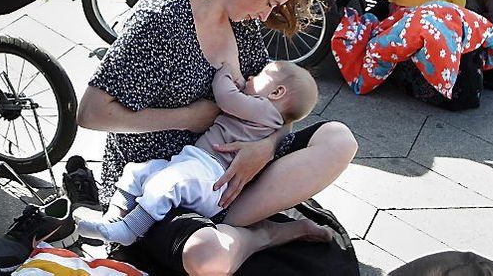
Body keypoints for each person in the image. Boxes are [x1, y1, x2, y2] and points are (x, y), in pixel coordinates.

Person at [77, 0, 358, 274]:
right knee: (207, 256)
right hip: (160, 183)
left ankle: (234, 220)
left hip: (224, 169)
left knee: (339, 139)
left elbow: (273, 109)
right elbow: (91, 113)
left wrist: (265, 147)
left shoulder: (242, 27)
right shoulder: (162, 15)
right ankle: (260, 235)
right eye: (270, 3)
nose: (265, 15)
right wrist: (186, 117)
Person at [75, 61, 319, 245]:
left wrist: (225, 72)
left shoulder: (265, 111)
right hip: (196, 164)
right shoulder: (269, 115)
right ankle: (113, 217)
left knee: (167, 184)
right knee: (137, 171)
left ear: (277, 93)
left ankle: (129, 230)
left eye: (260, 76)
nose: (251, 76)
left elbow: (226, 99)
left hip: (212, 177)